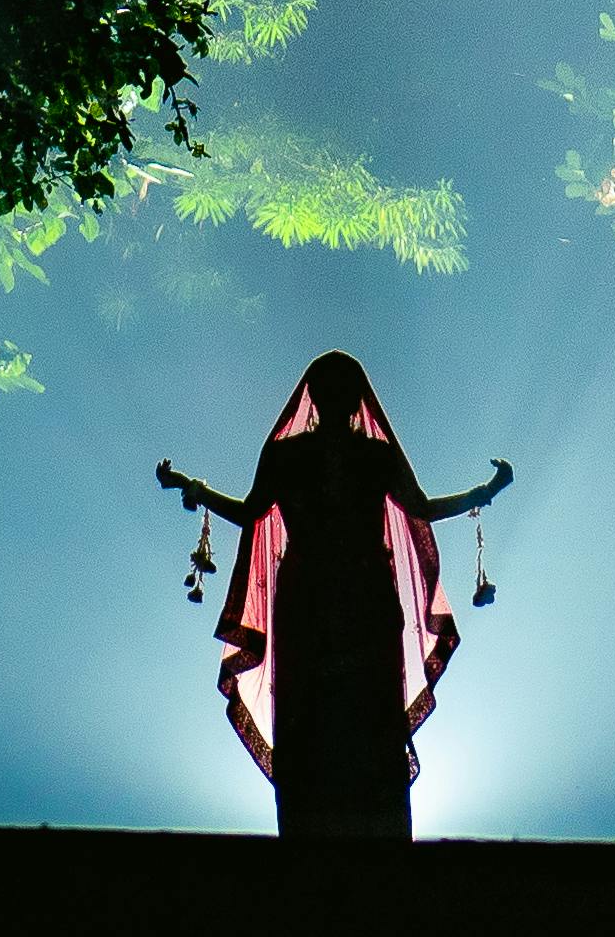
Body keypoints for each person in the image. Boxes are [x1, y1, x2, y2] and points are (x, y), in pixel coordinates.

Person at [158, 353, 512, 838]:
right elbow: (422, 508)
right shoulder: (362, 456)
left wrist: (192, 486)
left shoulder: (312, 456)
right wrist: (483, 492)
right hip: (334, 598)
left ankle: (336, 832)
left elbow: (248, 513)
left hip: (335, 598)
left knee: (345, 717)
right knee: (335, 717)